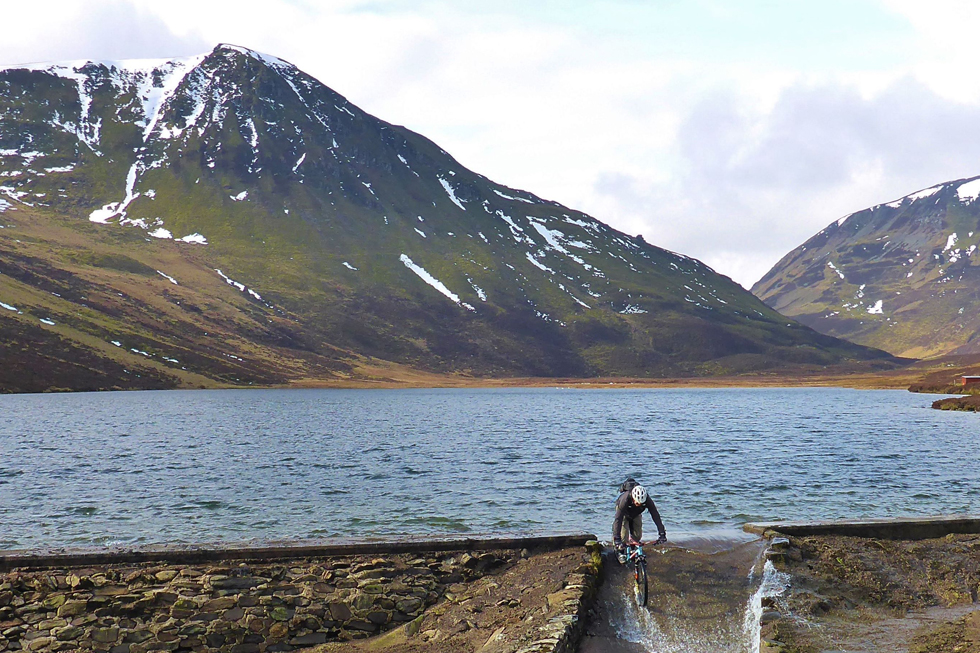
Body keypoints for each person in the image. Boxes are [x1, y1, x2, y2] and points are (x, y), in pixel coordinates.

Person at [613, 477, 666, 564]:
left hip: (636, 514)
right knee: (623, 537)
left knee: (638, 536)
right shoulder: (625, 499)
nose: (638, 505)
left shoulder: (647, 500)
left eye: (641, 504)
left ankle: (632, 549)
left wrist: (662, 533)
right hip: (624, 514)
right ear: (633, 498)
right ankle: (619, 551)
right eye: (637, 503)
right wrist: (617, 538)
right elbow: (617, 519)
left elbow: (655, 515)